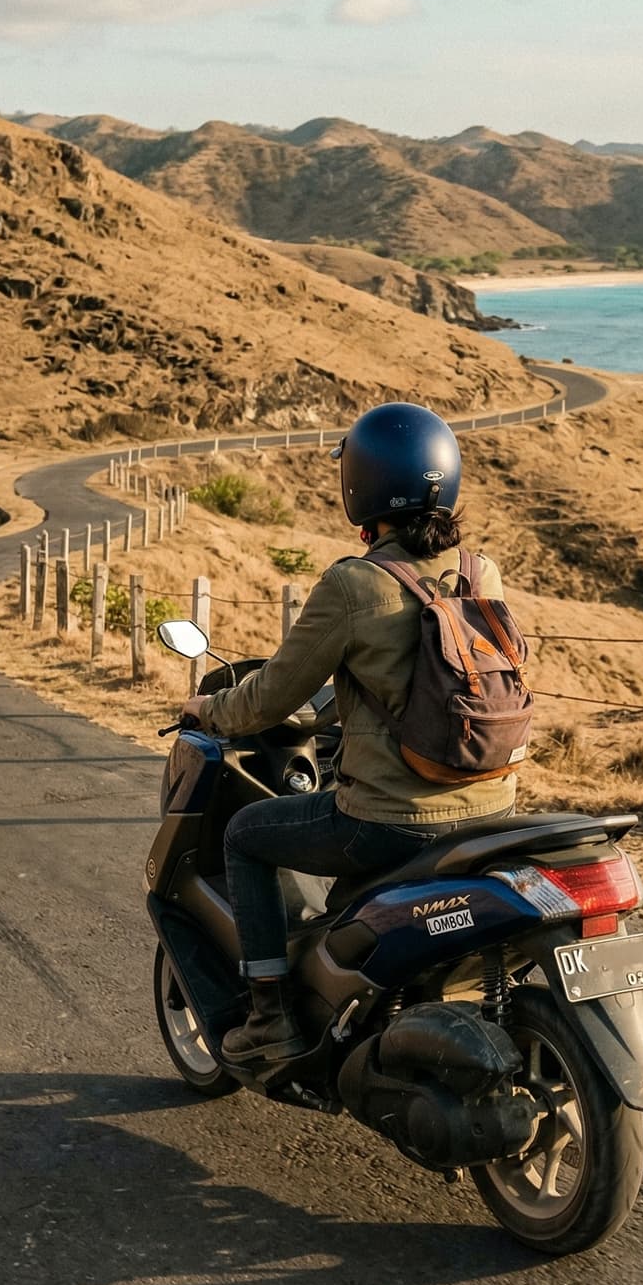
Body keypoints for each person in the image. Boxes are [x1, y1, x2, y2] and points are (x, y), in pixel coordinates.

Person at [180, 402, 518, 1067]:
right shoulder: (481, 573)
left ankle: (270, 1015)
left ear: (361, 487)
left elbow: (269, 697)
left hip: (391, 820)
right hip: (492, 808)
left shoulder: (355, 583)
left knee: (244, 837)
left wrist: (205, 710)